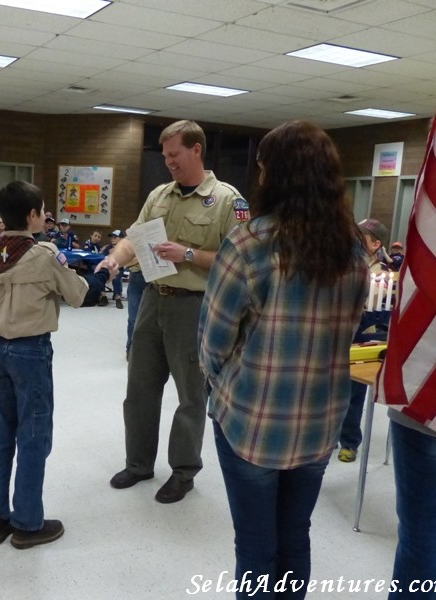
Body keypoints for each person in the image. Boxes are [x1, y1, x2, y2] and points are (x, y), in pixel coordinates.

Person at [198, 120, 368, 598]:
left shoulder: (249, 243)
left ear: (274, 173)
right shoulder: (353, 249)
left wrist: (222, 383)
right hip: (319, 422)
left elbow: (212, 342)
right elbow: (349, 330)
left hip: (253, 421)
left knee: (255, 546)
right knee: (295, 537)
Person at [105, 119, 249, 504]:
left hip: (194, 307)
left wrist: (187, 254)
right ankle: (138, 464)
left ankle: (184, 471)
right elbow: (134, 239)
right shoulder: (159, 196)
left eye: (174, 154)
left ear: (196, 150)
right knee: (139, 390)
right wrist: (114, 259)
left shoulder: (228, 200)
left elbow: (241, 261)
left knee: (190, 396)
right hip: (153, 300)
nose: (168, 161)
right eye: (165, 155)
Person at [0, 180, 115, 549]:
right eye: (43, 210)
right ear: (34, 215)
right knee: (34, 437)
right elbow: (79, 294)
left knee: (1, 434)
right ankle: (26, 523)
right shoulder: (44, 254)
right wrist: (103, 273)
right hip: (31, 352)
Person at [337, 217, 391, 463]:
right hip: (337, 334)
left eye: (361, 238)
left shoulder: (383, 275)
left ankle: (349, 442)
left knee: (352, 394)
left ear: (375, 244)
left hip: (363, 339)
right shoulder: (340, 266)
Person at [101, 230, 124, 309]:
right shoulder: (108, 247)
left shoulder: (124, 247)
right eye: (111, 237)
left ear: (121, 239)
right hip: (107, 267)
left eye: (115, 237)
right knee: (101, 276)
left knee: (116, 278)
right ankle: (103, 296)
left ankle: (117, 297)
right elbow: (102, 256)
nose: (112, 239)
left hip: (118, 268)